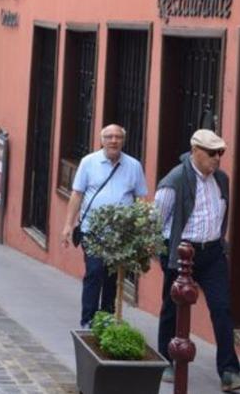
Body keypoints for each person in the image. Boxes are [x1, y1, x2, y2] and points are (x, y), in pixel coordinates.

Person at [154, 129, 240, 392]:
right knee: (172, 308)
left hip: (212, 253)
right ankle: (166, 360)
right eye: (211, 153)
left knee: (222, 308)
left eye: (220, 153)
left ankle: (229, 371)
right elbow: (156, 221)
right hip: (182, 252)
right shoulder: (174, 180)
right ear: (195, 151)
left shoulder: (221, 180)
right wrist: (167, 254)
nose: (217, 158)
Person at [61, 124, 148, 327]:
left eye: (118, 137)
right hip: (92, 230)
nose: (113, 141)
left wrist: (142, 230)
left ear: (123, 141)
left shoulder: (133, 166)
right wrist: (68, 225)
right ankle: (88, 320)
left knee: (112, 277)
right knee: (95, 271)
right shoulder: (88, 162)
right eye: (109, 137)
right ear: (102, 140)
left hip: (120, 235)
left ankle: (107, 318)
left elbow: (141, 198)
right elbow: (77, 194)